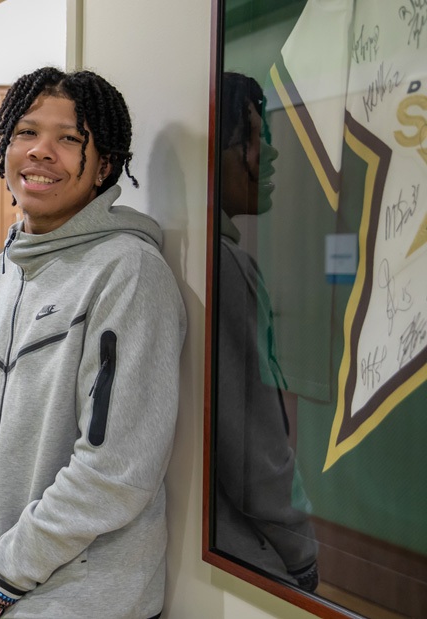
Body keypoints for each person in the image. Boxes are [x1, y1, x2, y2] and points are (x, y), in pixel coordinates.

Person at [0, 67, 185, 619]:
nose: (41, 151)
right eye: (26, 132)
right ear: (5, 147)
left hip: (77, 604)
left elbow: (114, 472)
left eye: (69, 139)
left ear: (104, 167)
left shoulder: (128, 273)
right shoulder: (1, 273)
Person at [213, 71, 319, 593]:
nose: (268, 155)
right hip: (248, 551)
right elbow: (252, 441)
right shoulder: (228, 267)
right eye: (252, 139)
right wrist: (301, 554)